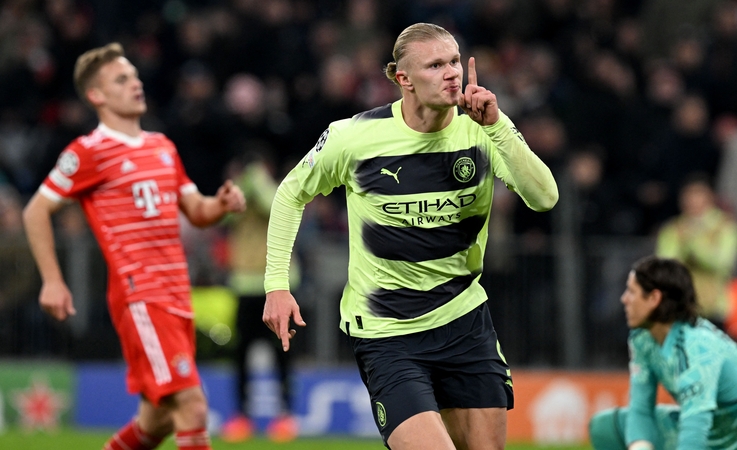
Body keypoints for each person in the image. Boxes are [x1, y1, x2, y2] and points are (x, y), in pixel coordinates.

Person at [262, 22, 559, 450]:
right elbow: (291, 194)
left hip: (464, 323)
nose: (451, 73)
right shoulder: (354, 137)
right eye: (436, 65)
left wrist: (496, 125)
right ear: (404, 79)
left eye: (454, 60)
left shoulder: (481, 129)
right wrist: (276, 284)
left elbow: (545, 197)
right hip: (387, 333)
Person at [22, 43, 246, 450]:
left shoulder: (163, 146)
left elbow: (195, 209)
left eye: (135, 76)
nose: (136, 83)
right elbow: (36, 210)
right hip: (141, 296)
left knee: (155, 421)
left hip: (177, 294)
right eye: (121, 79)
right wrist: (52, 281)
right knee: (192, 407)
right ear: (97, 96)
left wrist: (222, 204)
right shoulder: (88, 152)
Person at [588, 256, 737, 450]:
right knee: (607, 428)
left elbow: (695, 431)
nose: (624, 299)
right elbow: (640, 409)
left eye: (632, 292)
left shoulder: (698, 348)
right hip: (712, 437)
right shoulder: (642, 338)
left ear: (654, 299)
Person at [220, 149, 298, 442]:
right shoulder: (241, 196)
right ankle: (241, 416)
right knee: (241, 355)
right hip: (243, 285)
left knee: (283, 353)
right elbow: (223, 218)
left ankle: (286, 416)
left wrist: (259, 180)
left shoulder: (276, 190)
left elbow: (276, 205)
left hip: (280, 286)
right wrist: (243, 185)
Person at [655, 174, 737, 326]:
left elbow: (723, 263)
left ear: (710, 197)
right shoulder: (672, 229)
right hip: (680, 307)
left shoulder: (725, 226)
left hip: (714, 308)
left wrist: (693, 245)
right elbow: (666, 267)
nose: (693, 200)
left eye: (698, 194)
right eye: (689, 195)